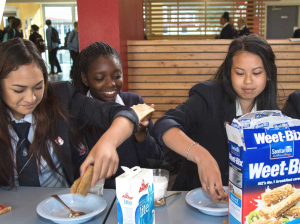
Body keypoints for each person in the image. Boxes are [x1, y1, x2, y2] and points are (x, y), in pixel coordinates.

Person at [0, 38, 139, 189]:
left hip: (59, 204)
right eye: (18, 90)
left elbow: (125, 114)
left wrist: (108, 142)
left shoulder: (60, 96)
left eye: (38, 87)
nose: (31, 98)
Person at [153, 35, 278, 199]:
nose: (248, 81)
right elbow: (165, 125)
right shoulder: (209, 96)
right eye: (240, 73)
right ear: (229, 73)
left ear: (268, 74)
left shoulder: (273, 115)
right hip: (193, 199)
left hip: (245, 205)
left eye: (256, 73)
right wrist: (201, 156)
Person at [72, 41, 164, 189]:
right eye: (100, 78)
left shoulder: (134, 102)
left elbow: (156, 163)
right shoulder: (76, 112)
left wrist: (142, 136)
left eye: (116, 76)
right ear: (85, 79)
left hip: (135, 196)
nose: (110, 83)